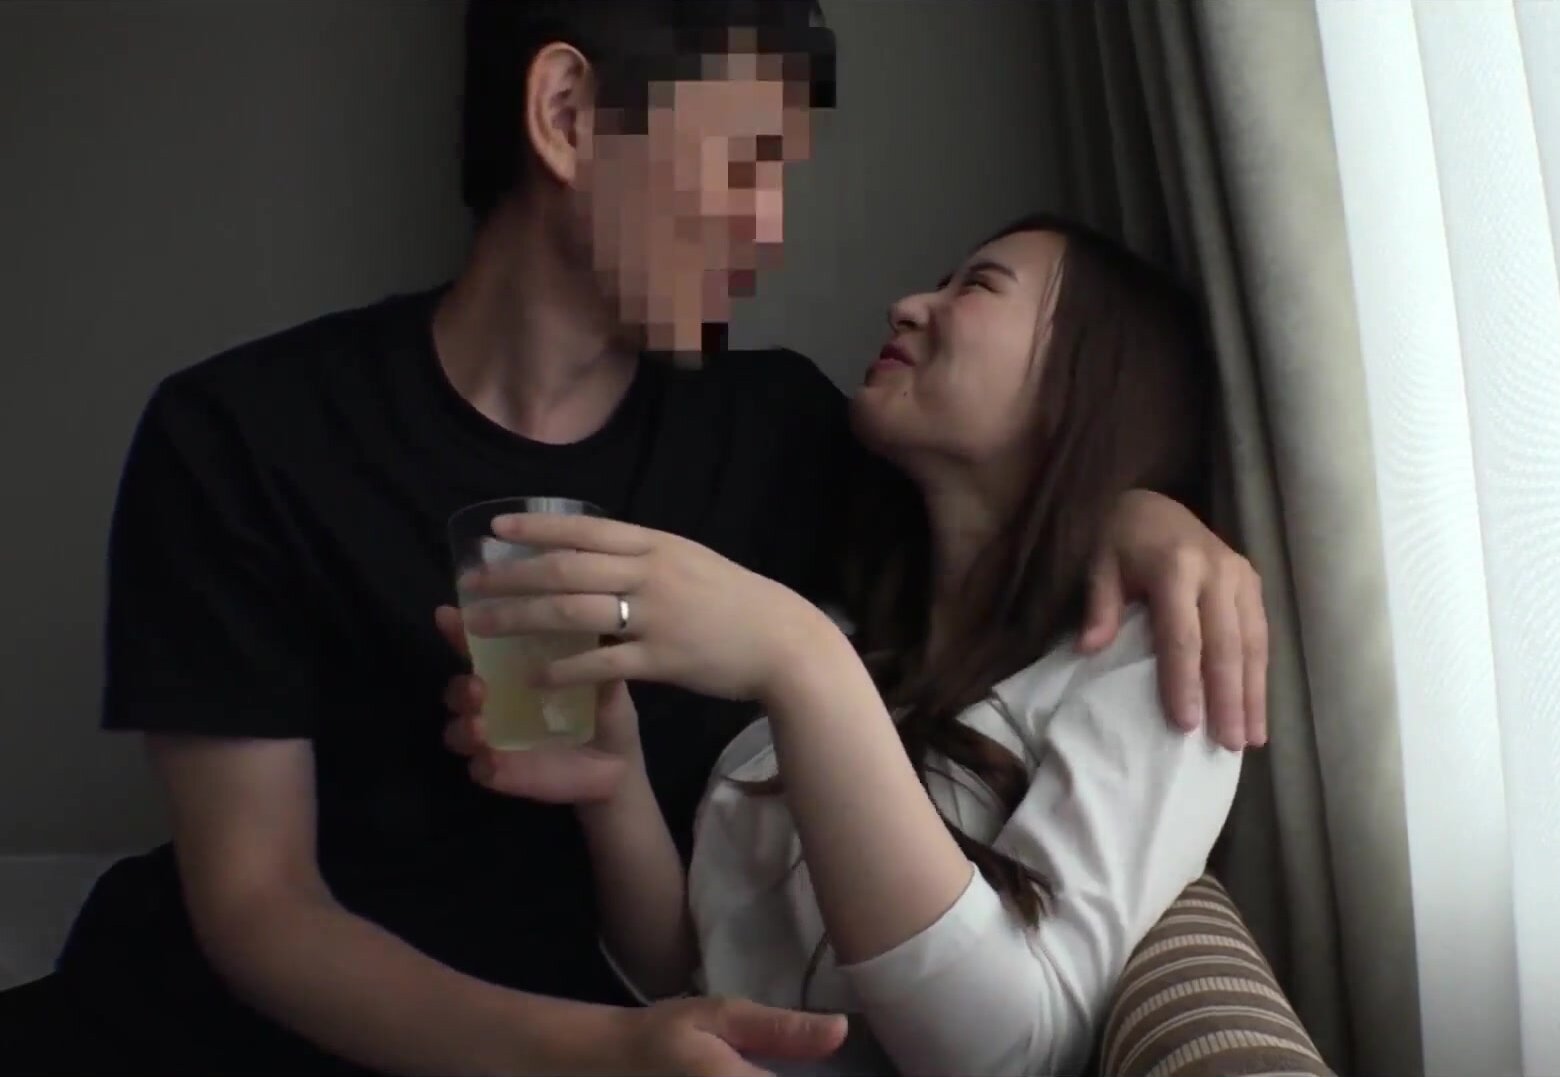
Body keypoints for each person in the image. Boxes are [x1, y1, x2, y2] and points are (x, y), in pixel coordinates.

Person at [0, 2, 1269, 1075]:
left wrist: (1143, 513)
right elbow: (260, 911)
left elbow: (1004, 506)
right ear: (565, 116)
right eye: (746, 161)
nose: (772, 229)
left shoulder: (791, 438)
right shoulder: (244, 436)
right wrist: (601, 1054)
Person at [440, 212, 1244, 1076]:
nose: (906, 305)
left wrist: (797, 659)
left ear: (1089, 376)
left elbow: (1012, 1051)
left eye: (977, 285)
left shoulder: (1159, 654)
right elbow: (698, 979)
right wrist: (614, 786)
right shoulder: (860, 637)